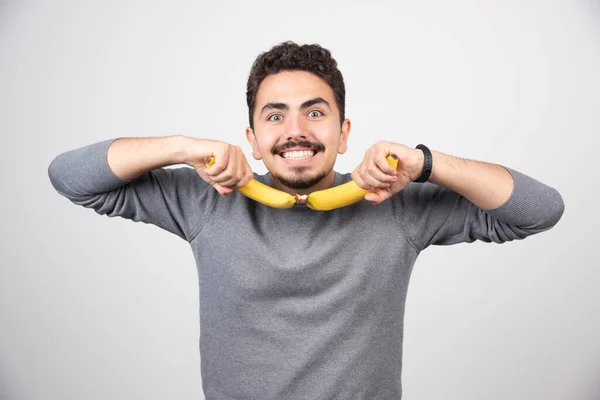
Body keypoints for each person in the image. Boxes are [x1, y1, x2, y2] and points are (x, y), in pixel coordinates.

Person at [48, 41, 564, 400]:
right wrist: (182, 147)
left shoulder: (397, 201)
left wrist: (427, 162)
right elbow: (70, 177)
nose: (295, 131)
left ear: (343, 134)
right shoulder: (208, 199)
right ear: (251, 138)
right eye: (274, 116)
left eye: (315, 113)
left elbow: (540, 211)